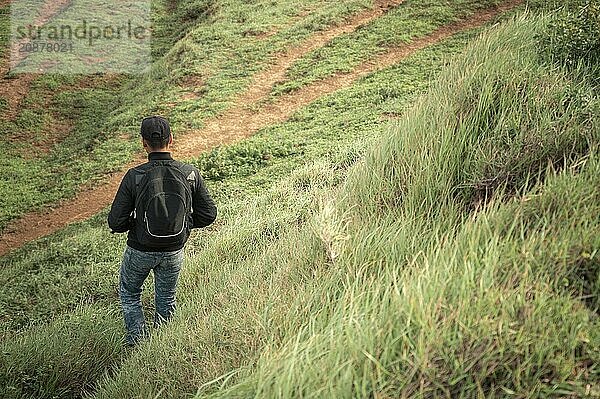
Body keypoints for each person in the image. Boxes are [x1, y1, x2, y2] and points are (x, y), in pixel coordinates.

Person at [108, 115, 217, 346]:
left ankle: (137, 345)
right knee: (167, 299)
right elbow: (209, 215)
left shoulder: (134, 176)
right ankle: (163, 347)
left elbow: (115, 222)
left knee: (130, 294)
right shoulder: (190, 173)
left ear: (143, 142)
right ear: (171, 139)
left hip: (140, 249)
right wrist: (185, 226)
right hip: (173, 251)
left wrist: (135, 226)